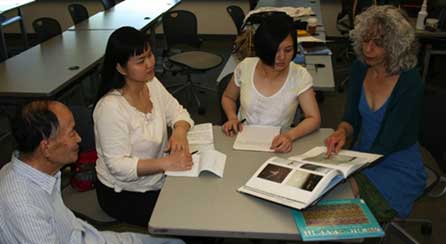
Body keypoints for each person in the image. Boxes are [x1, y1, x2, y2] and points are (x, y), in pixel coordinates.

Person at [0, 100, 184, 244]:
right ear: (46, 147)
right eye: (72, 133)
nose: (79, 138)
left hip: (85, 236)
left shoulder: (30, 170)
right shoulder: (21, 206)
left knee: (175, 241)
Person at [324, 5, 426, 222]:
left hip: (396, 167)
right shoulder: (361, 68)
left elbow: (386, 145)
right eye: (365, 40)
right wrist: (342, 131)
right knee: (328, 194)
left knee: (336, 206)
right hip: (364, 156)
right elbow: (351, 117)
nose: (368, 49)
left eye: (378, 44)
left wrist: (345, 170)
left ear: (395, 47)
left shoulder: (409, 83)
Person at [94, 27, 194, 227]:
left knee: (200, 202)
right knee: (191, 222)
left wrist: (180, 132)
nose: (150, 64)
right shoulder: (110, 108)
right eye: (140, 61)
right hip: (125, 193)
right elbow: (118, 167)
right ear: (121, 69)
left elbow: (178, 112)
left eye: (150, 55)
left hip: (161, 177)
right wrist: (166, 163)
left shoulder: (151, 83)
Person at [221, 13, 321, 153]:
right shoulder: (245, 67)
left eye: (288, 50)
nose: (282, 57)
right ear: (264, 48)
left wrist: (289, 136)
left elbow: (314, 118)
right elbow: (228, 97)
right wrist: (232, 118)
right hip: (242, 140)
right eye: (275, 50)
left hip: (278, 143)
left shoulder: (300, 75)